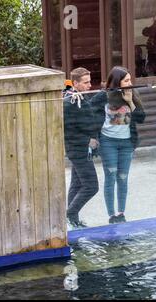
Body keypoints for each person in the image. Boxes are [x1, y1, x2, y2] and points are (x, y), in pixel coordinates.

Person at [93, 67, 146, 224]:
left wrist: (130, 101)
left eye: (130, 79)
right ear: (117, 82)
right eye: (126, 80)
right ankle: (111, 215)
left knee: (123, 178)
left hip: (126, 143)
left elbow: (141, 118)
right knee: (110, 177)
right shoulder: (103, 96)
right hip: (108, 142)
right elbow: (89, 112)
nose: (130, 83)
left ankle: (121, 213)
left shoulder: (132, 94)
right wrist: (93, 136)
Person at [63, 67, 100, 228]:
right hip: (78, 149)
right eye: (85, 82)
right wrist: (88, 140)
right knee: (92, 186)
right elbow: (68, 129)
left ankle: (72, 220)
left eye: (90, 81)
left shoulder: (79, 97)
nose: (89, 85)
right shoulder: (70, 100)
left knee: (77, 184)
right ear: (75, 83)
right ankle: (70, 214)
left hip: (80, 148)